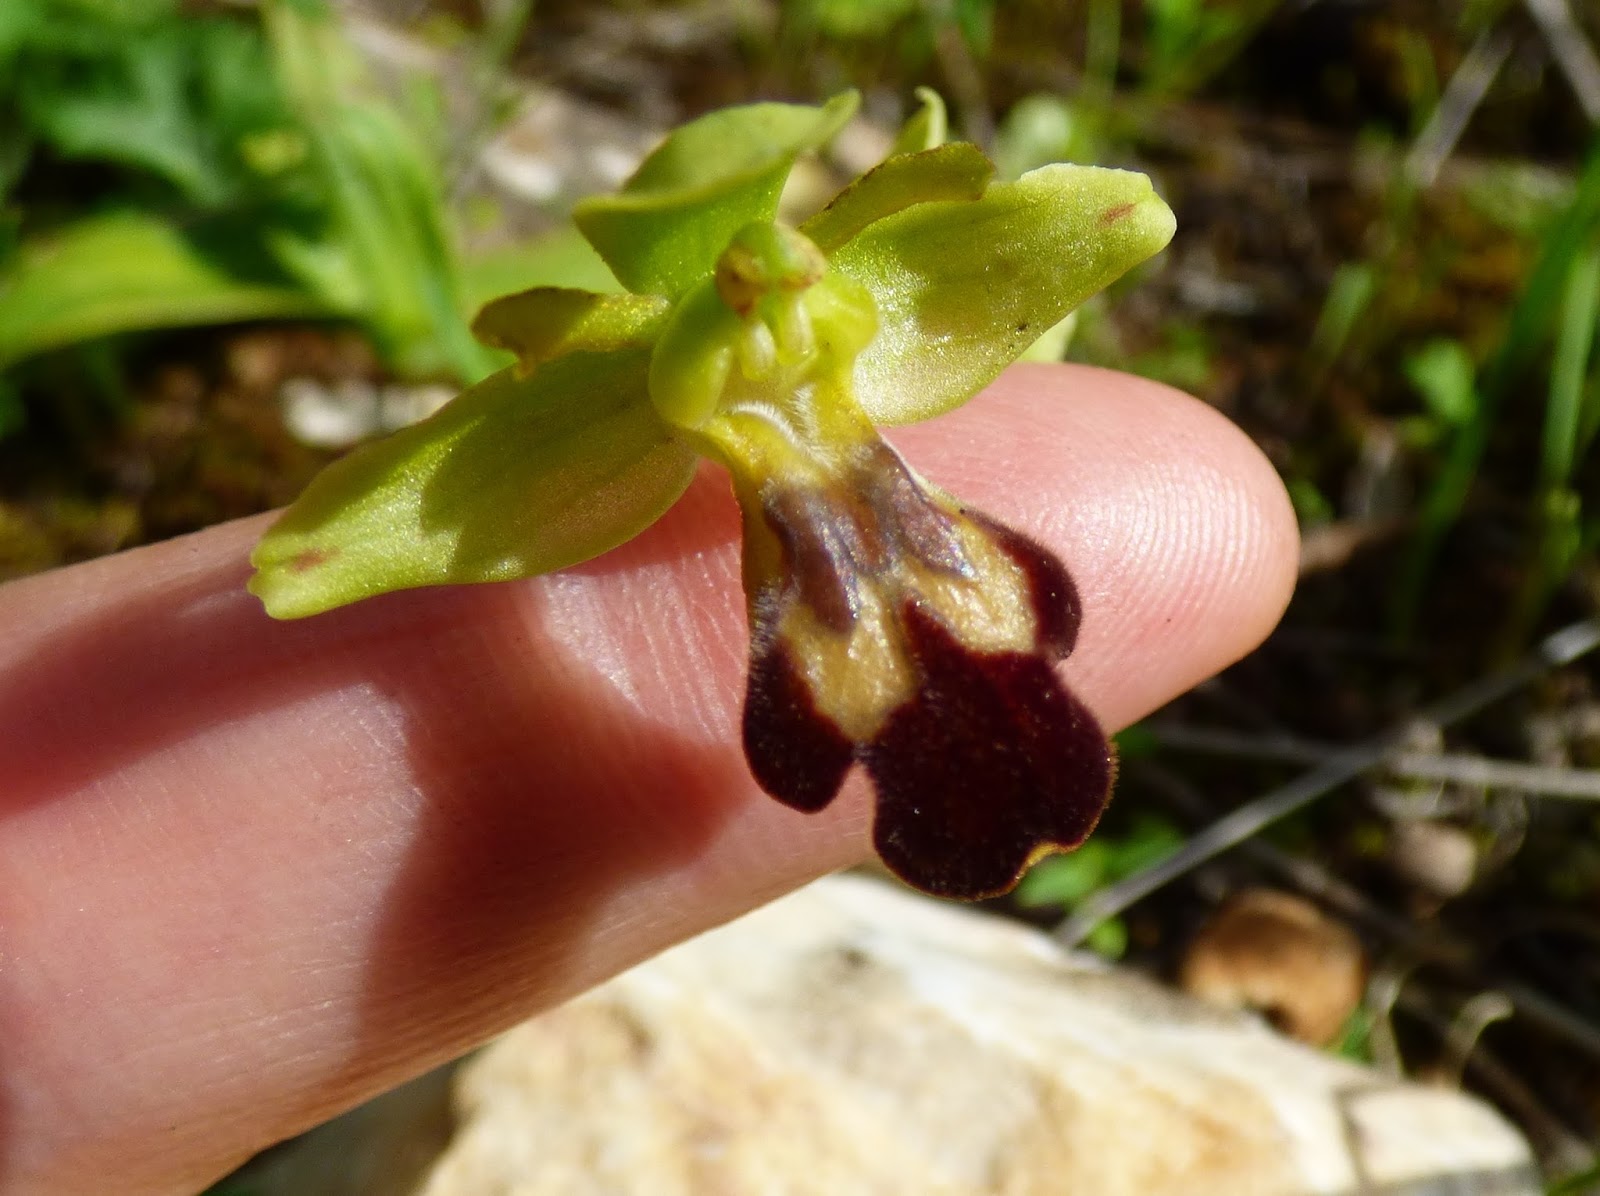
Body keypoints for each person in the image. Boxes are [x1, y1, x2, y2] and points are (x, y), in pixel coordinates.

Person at [0, 364, 1300, 1194]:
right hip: (799, 536)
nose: (775, 369)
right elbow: (369, 534)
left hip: (884, 543)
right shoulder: (624, 396)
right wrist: (331, 552)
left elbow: (1096, 227)